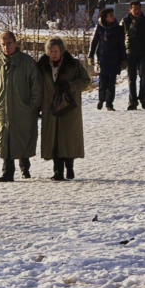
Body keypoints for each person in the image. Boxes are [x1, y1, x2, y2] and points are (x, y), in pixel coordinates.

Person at [0, 30, 43, 181]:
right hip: (2, 111)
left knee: (22, 138)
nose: (6, 47)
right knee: (5, 139)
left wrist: (32, 106)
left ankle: (24, 165)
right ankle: (7, 171)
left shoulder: (27, 62)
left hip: (23, 109)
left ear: (15, 43)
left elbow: (36, 87)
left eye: (9, 43)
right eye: (3, 44)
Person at [38, 37, 92, 181]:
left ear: (61, 51)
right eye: (50, 51)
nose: (52, 54)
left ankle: (69, 168)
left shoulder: (73, 64)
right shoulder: (42, 66)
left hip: (69, 107)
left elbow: (86, 81)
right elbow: (37, 86)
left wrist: (71, 86)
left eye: (55, 51)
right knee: (54, 139)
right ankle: (57, 171)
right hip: (50, 106)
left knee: (67, 139)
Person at [87, 7, 125, 111]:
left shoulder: (118, 28)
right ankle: (101, 99)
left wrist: (123, 59)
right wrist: (90, 56)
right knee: (102, 82)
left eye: (113, 15)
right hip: (102, 59)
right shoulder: (99, 27)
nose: (113, 17)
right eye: (110, 15)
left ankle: (109, 104)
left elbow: (121, 44)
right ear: (105, 17)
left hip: (114, 59)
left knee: (111, 83)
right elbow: (94, 42)